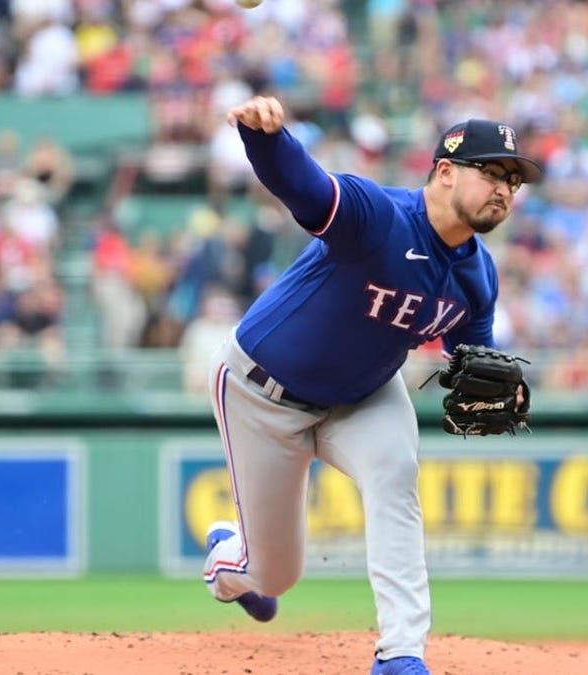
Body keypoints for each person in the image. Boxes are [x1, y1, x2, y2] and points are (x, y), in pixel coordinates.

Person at [202, 95, 541, 675]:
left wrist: (491, 386)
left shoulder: (478, 275)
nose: (505, 188)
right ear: (444, 172)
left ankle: (401, 653)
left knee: (396, 476)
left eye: (513, 179)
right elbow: (304, 187)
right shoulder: (378, 216)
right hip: (262, 393)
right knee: (275, 573)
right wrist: (265, 138)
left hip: (364, 396)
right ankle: (229, 558)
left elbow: (470, 357)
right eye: (492, 172)